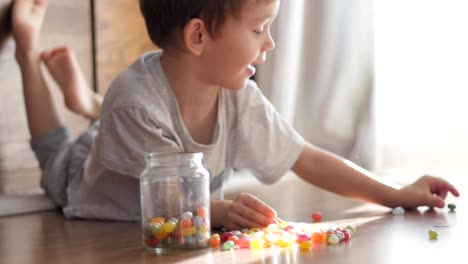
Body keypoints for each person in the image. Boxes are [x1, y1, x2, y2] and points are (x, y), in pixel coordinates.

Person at [11, 0, 459, 230]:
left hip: (126, 128)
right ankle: (29, 52)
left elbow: (306, 157)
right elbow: (167, 202)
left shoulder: (238, 95)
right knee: (55, 151)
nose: (270, 45)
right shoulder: (134, 103)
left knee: (114, 117)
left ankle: (88, 102)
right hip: (88, 178)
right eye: (260, 29)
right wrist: (222, 211)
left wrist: (394, 194)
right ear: (198, 36)